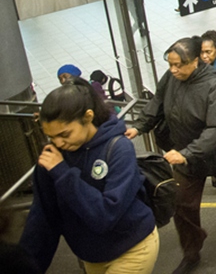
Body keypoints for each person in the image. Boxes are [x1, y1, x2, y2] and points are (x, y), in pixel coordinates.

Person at [126, 37, 216, 274]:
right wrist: (139, 126)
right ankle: (191, 253)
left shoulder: (213, 85)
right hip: (186, 153)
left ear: (196, 61)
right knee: (182, 204)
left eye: (179, 65)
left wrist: (187, 153)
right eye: (170, 64)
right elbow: (157, 102)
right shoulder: (171, 78)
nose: (173, 70)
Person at [21, 79, 158, 274]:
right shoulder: (53, 157)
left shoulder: (118, 148)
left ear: (88, 117)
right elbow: (43, 217)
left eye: (65, 134)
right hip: (92, 256)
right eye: (51, 137)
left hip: (132, 248)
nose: (58, 143)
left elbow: (105, 215)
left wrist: (62, 172)